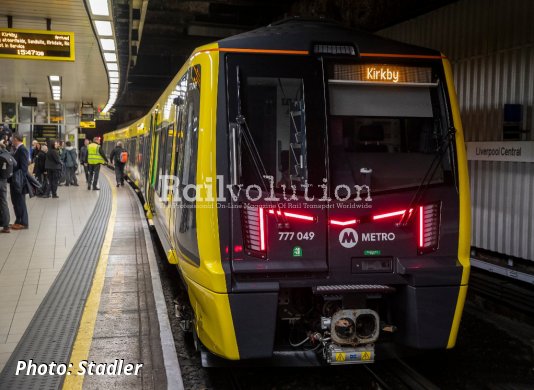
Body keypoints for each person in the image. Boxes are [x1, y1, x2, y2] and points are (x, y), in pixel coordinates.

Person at [9, 134, 29, 229]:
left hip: (19, 181)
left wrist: (19, 179)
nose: (11, 140)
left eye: (12, 139)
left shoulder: (23, 149)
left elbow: (24, 167)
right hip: (14, 179)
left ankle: (24, 223)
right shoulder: (16, 149)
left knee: (20, 201)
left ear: (16, 139)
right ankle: (18, 220)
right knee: (15, 201)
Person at [0, 140, 16, 233]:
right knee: (3, 202)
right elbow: (15, 163)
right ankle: (6, 226)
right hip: (4, 181)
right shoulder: (6, 154)